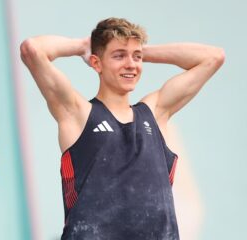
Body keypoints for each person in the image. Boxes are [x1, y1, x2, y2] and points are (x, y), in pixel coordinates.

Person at [20, 17, 224, 240]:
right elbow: (32, 49)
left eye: (136, 57)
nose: (131, 64)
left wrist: (141, 53)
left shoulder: (155, 113)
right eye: (118, 56)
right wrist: (82, 46)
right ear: (96, 63)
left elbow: (213, 57)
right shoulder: (77, 113)